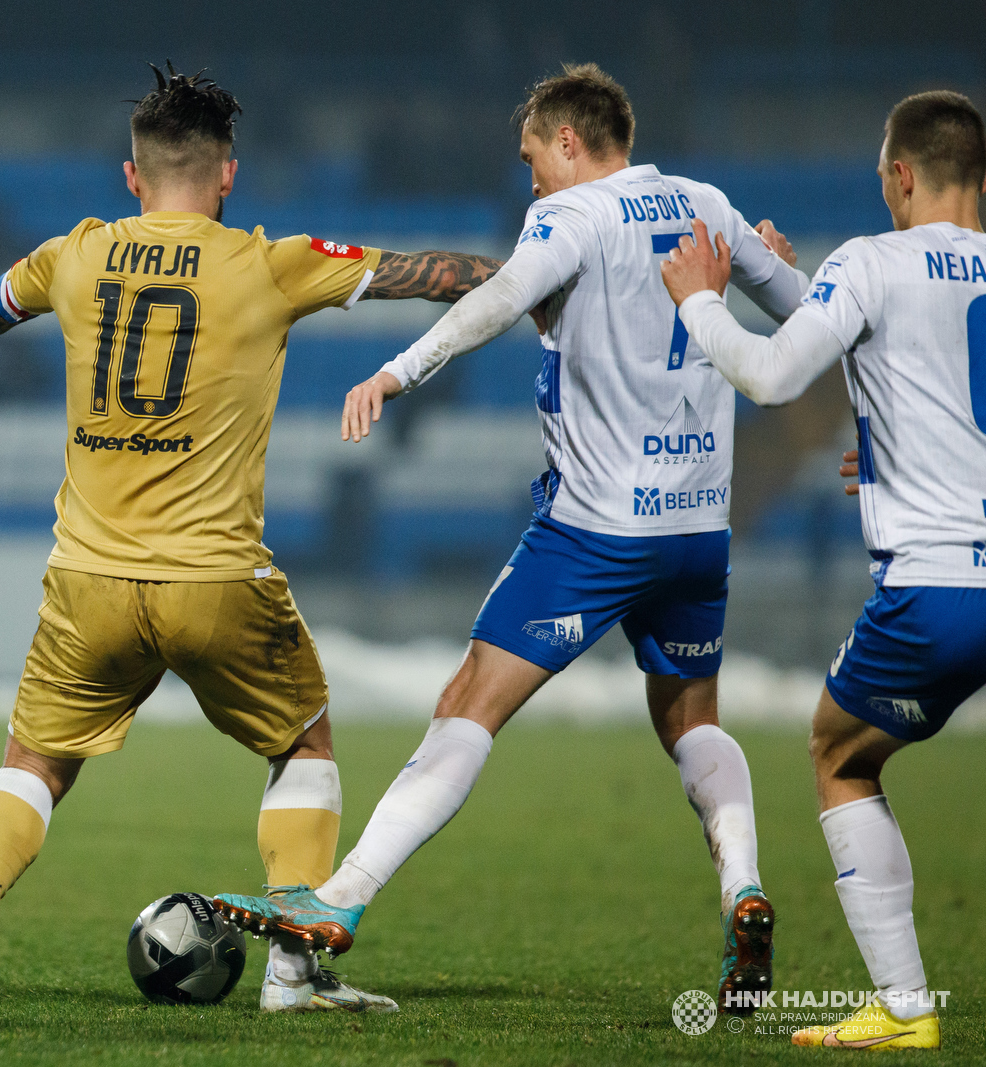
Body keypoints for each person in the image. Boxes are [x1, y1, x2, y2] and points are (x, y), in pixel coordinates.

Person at [0, 63, 507, 1015]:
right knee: (305, 744)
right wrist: (539, 275)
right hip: (215, 577)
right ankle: (293, 974)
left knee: (32, 762)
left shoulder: (76, 252)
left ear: (131, 176)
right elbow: (427, 274)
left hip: (88, 579)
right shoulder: (271, 262)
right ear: (228, 174)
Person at [214, 63, 808, 1013]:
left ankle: (341, 898)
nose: (529, 179)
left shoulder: (569, 218)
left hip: (594, 531)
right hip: (700, 526)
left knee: (467, 704)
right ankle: (742, 884)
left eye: (533, 158)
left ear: (569, 142)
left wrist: (398, 372)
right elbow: (812, 320)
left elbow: (494, 301)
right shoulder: (708, 206)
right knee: (692, 718)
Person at [660, 89, 986, 1051]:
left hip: (938, 589)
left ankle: (904, 1005)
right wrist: (898, 450)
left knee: (840, 752)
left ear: (899, 174)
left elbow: (768, 378)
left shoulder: (872, 262)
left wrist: (700, 301)